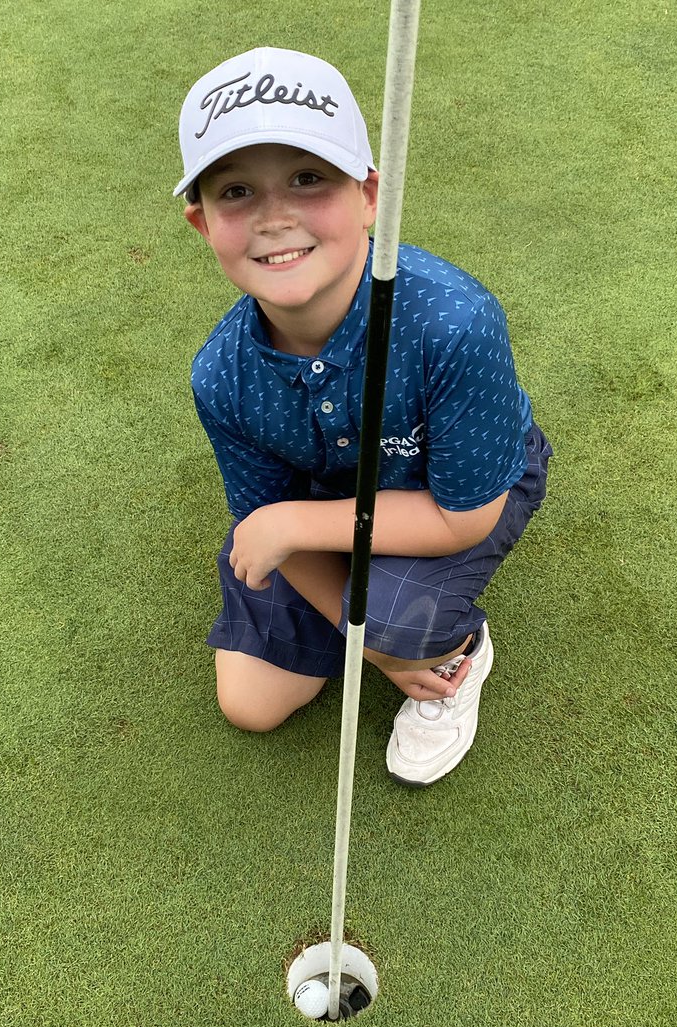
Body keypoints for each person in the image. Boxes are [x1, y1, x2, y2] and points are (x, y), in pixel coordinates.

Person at [175, 46, 552, 786]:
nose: (275, 216)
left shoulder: (454, 321)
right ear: (202, 223)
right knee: (251, 702)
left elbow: (463, 517)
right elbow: (271, 525)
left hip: (452, 482)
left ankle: (457, 653)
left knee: (393, 610)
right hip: (323, 500)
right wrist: (374, 652)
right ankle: (383, 628)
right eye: (237, 190)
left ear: (369, 194)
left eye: (308, 179)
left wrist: (295, 534)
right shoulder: (221, 374)